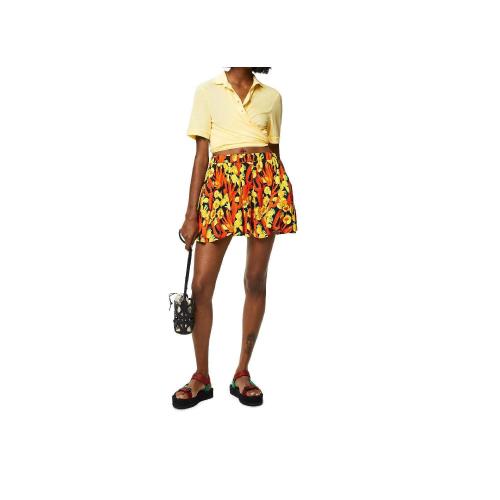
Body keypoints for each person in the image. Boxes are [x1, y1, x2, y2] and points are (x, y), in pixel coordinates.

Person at [172, 67, 298, 409]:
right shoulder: (207, 91)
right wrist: (191, 214)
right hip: (221, 186)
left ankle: (242, 372)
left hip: (264, 185)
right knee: (201, 285)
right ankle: (201, 376)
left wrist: (278, 200)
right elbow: (201, 156)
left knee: (255, 279)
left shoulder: (272, 97)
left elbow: (274, 154)